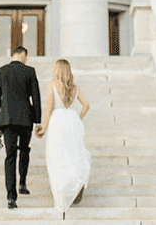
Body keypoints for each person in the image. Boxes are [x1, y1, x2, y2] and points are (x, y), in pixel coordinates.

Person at [0, 44, 42, 210]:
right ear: (22, 55)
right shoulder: (29, 71)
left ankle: (11, 197)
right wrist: (38, 121)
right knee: (25, 149)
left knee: (10, 156)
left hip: (7, 119)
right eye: (26, 57)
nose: (26, 60)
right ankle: (22, 183)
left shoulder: (0, 71)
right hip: (26, 118)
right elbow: (36, 97)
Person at [35, 58, 91, 211]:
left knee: (57, 158)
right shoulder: (75, 87)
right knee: (72, 155)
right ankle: (74, 185)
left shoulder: (51, 85)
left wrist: (44, 128)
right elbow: (86, 105)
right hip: (71, 121)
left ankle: (61, 196)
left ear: (57, 70)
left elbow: (49, 108)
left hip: (57, 122)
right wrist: (77, 119)